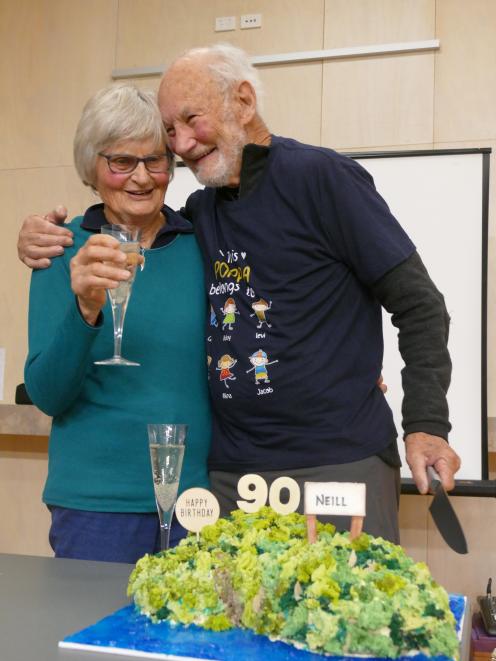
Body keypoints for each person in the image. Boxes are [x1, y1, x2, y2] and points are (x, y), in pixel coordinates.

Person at [18, 45, 460, 544]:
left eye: (190, 122)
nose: (182, 144)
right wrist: (37, 236)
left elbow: (420, 304)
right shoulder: (200, 216)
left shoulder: (320, 179)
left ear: (244, 102)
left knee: (341, 616)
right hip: (230, 481)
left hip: (336, 462)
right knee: (233, 620)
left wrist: (425, 422)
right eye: (170, 132)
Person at [23, 83, 211, 562]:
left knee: (191, 637)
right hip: (94, 506)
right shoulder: (62, 249)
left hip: (195, 504)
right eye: (121, 162)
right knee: (94, 637)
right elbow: (47, 395)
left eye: (155, 160)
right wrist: (85, 308)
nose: (142, 177)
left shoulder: (202, 245)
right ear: (93, 167)